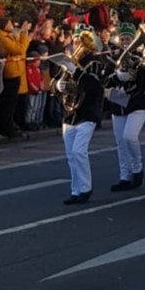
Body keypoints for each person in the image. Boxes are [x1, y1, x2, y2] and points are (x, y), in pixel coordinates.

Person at [52, 25, 103, 205]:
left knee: (79, 151)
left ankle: (86, 188)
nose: (78, 45)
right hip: (69, 113)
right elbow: (53, 84)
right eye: (75, 41)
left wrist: (76, 71)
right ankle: (76, 190)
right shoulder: (68, 62)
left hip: (87, 112)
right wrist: (58, 86)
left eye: (81, 41)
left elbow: (96, 88)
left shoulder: (94, 63)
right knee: (71, 155)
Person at [105, 22, 145, 192]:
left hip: (137, 103)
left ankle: (137, 168)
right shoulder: (113, 59)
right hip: (118, 103)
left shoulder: (140, 59)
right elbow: (105, 81)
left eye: (129, 39)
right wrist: (116, 75)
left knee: (129, 137)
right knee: (120, 142)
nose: (125, 42)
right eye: (123, 39)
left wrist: (133, 75)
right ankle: (125, 176)